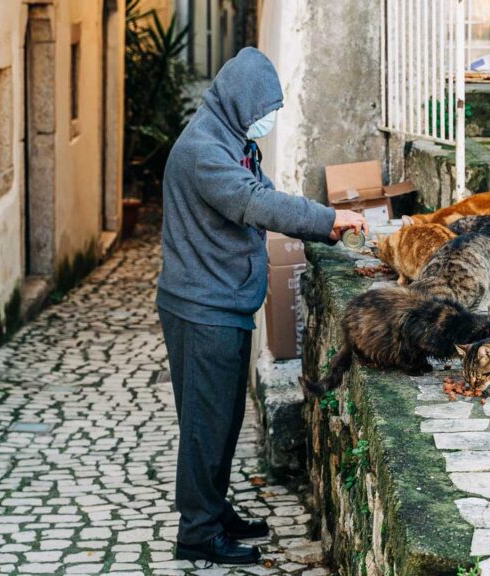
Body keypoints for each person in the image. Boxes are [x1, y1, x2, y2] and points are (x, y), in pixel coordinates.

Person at [157, 47, 367, 565]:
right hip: (202, 308)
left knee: (223, 420)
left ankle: (212, 508)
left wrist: (325, 223)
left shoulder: (230, 138)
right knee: (207, 425)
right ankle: (198, 532)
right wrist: (326, 216)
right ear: (239, 101)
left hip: (218, 302)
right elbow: (256, 203)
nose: (266, 120)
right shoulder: (205, 149)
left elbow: (262, 191)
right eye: (263, 110)